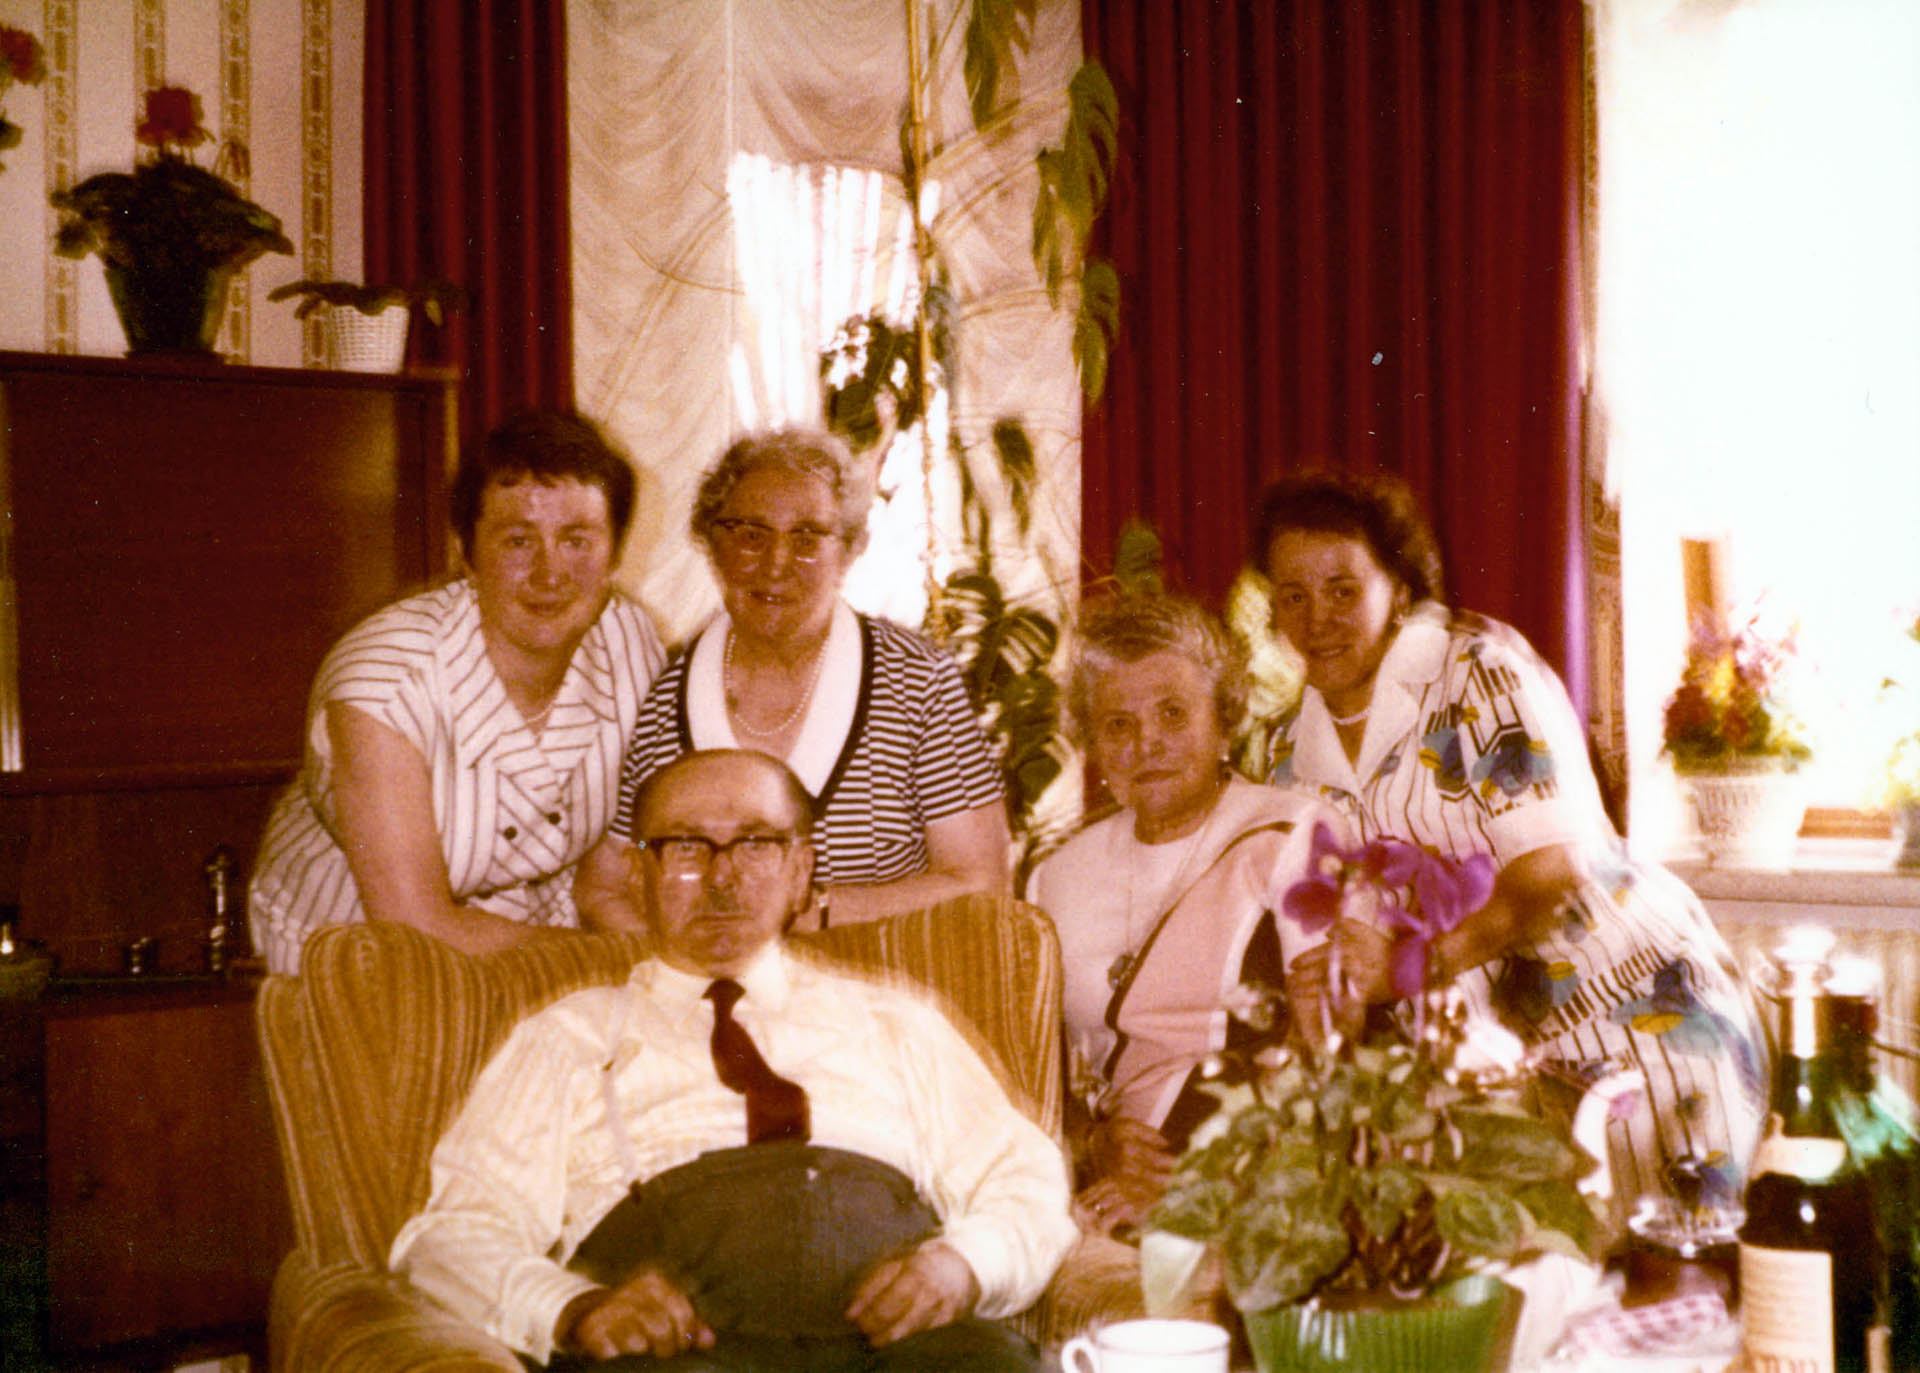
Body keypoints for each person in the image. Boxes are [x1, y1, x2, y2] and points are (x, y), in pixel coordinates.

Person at [390, 749, 1075, 1371]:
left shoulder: (895, 1021)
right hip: (676, 1349)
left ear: (801, 871)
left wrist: (962, 1266)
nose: (722, 878)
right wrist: (575, 1308)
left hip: (899, 1344)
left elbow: (1023, 1178)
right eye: (686, 846)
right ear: (639, 875)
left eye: (756, 843)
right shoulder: (569, 1036)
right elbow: (453, 1232)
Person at [1255, 469, 1767, 1209]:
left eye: (1343, 589)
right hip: (1494, 1071)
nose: (1317, 619)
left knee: (1670, 1262)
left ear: (1398, 587)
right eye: (1293, 596)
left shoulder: (1479, 672)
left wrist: (1406, 967)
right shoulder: (1285, 751)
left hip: (1637, 1019)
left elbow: (1548, 876)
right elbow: (1337, 931)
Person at [250, 411, 665, 974]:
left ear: (614, 554)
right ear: (466, 554)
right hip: (357, 952)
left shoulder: (630, 641)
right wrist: (622, 957)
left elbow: (623, 849)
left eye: (577, 540)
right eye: (518, 541)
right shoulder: (384, 684)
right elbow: (415, 925)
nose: (550, 573)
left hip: (547, 941)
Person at [575, 428, 1008, 931]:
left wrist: (803, 912)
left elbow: (981, 881)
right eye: (751, 535)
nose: (776, 564)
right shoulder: (668, 695)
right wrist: (689, 955)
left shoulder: (917, 681)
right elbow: (602, 887)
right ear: (713, 545)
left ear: (849, 550)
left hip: (882, 974)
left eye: (807, 539)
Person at [1027, 594, 1344, 1238]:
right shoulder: (1053, 876)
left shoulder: (1293, 833)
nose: (1147, 743)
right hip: (1110, 1180)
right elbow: (1037, 1067)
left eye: (1173, 713)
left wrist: (1202, 1187)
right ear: (1093, 745)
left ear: (1224, 722)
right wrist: (1092, 1142)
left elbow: (1330, 1049)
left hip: (1265, 1173)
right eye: (1118, 724)